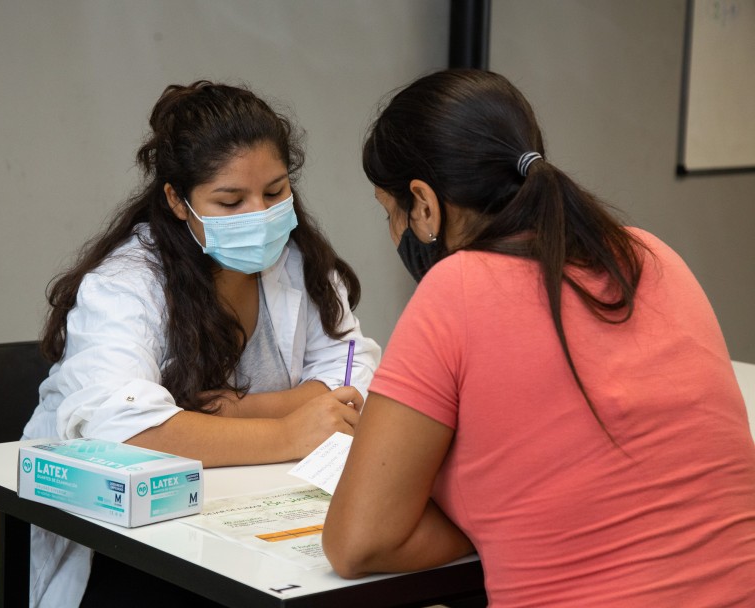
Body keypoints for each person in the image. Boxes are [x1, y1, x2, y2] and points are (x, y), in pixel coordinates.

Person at [322, 69, 755, 607]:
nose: (394, 233)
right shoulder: (651, 255)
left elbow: (356, 543)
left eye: (392, 214)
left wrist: (492, 511)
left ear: (425, 205)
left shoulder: (455, 289)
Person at [0, 80, 380, 608]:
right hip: (120, 540)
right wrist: (288, 431)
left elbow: (353, 376)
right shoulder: (127, 283)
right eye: (230, 200)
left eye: (275, 192)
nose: (259, 215)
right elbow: (126, 430)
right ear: (177, 199)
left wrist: (236, 412)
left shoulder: (301, 264)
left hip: (248, 518)